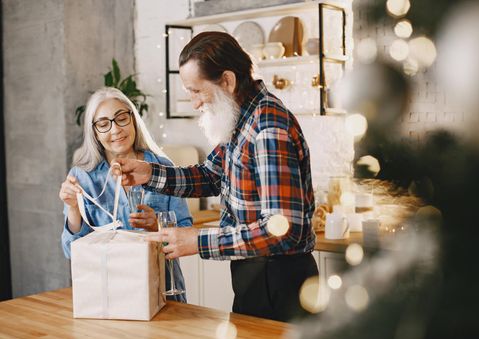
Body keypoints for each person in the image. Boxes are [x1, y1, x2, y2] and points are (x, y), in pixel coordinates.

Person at [112, 32, 318, 322]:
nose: (195, 103)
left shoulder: (269, 128)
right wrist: (150, 173)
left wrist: (198, 241)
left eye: (197, 91)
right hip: (256, 275)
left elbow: (282, 231)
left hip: (281, 283)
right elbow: (210, 176)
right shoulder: (241, 116)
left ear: (227, 81)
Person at [59, 87, 192, 302]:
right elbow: (71, 252)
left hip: (162, 292)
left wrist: (155, 226)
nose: (115, 130)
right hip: (107, 295)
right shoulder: (82, 177)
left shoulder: (162, 168)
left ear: (133, 119)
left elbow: (185, 232)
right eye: (103, 124)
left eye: (121, 118)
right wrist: (74, 208)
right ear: (94, 132)